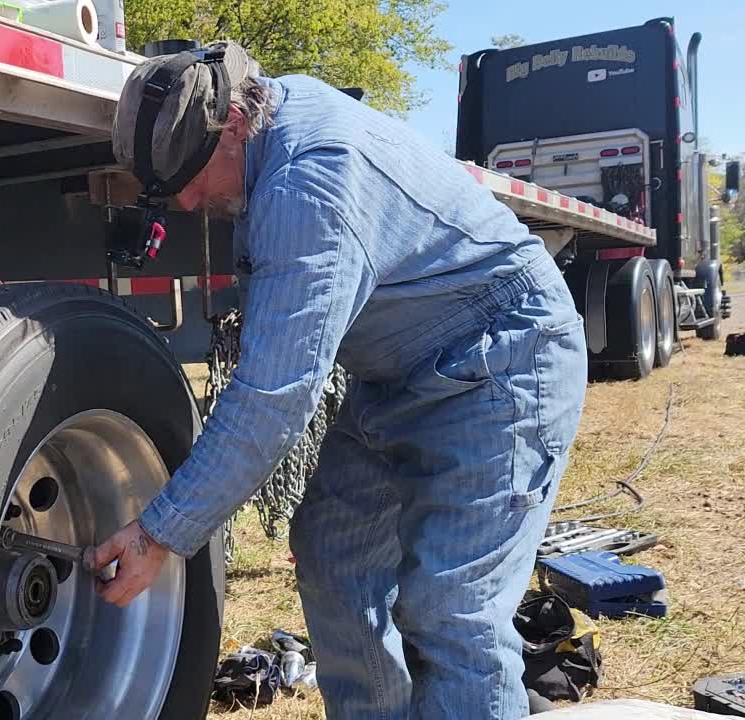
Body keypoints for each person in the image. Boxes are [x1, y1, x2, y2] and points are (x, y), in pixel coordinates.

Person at [89, 41, 588, 719]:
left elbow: (273, 397)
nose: (183, 200)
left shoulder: (309, 182)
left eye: (188, 174)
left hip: (504, 355)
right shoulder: (271, 117)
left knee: (452, 610)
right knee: (334, 553)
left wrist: (160, 534)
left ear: (233, 122)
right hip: (401, 371)